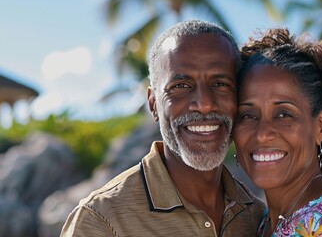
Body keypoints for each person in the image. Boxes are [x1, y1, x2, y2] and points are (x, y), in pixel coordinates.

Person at [60, 20, 266, 237]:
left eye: (220, 84)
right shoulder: (101, 219)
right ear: (153, 105)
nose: (205, 103)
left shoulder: (256, 216)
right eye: (180, 86)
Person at [233, 27, 322, 237]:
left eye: (284, 114)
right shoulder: (265, 222)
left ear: (320, 127)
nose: (262, 134)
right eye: (248, 115)